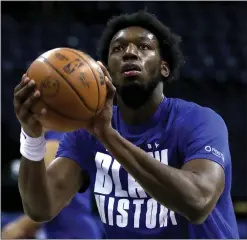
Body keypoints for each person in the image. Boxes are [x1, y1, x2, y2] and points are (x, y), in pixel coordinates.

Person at [13, 11, 239, 238]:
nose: (130, 53)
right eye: (118, 49)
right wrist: (32, 137)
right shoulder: (86, 134)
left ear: (164, 67)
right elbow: (41, 209)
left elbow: (198, 203)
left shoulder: (199, 121)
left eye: (144, 47)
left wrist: (108, 136)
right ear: (106, 71)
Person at [2, 131, 103, 239]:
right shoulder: (64, 138)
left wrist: (19, 227)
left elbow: (55, 197)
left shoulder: (53, 143)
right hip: (72, 227)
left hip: (69, 231)